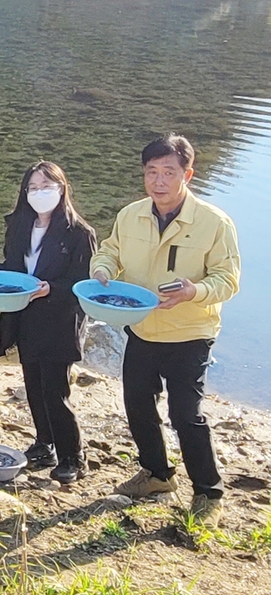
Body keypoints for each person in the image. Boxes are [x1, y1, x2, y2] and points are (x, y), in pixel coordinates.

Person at [91, 134, 241, 526]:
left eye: (169, 172)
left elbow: (228, 279)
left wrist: (195, 291)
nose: (159, 181)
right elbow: (110, 250)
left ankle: (209, 492)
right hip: (142, 327)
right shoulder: (131, 215)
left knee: (185, 413)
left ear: (187, 174)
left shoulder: (214, 222)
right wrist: (102, 269)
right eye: (152, 172)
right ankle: (157, 475)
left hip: (191, 332)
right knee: (137, 404)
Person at [0, 161, 96, 484]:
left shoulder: (80, 234)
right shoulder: (20, 224)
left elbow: (83, 284)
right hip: (26, 315)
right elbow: (13, 266)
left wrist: (52, 288)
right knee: (33, 384)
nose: (39, 194)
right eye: (33, 188)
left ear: (62, 190)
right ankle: (44, 443)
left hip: (60, 320)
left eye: (47, 187)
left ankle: (73, 457)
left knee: (55, 390)